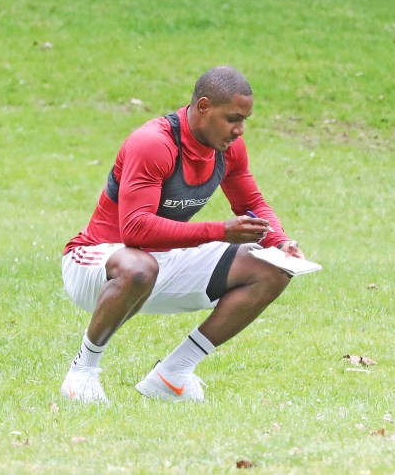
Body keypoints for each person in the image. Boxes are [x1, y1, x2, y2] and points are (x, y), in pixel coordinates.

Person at [60, 66, 304, 404]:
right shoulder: (153, 144)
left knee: (273, 268)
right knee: (139, 266)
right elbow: (135, 229)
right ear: (203, 107)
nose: (240, 130)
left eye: (245, 120)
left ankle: (172, 374)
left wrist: (280, 242)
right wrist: (219, 231)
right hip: (98, 262)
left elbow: (251, 203)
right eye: (233, 118)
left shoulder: (229, 149)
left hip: (160, 262)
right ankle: (81, 373)